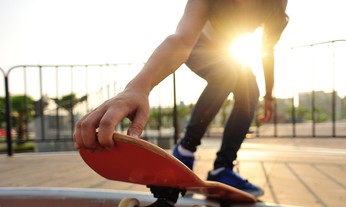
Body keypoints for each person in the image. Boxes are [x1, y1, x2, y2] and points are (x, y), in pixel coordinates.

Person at [73, 0, 289, 197]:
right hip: (197, 45)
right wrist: (138, 87)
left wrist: (269, 95)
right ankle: (185, 150)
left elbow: (266, 50)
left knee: (250, 90)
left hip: (225, 51)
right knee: (227, 74)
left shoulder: (277, 4)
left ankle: (224, 167)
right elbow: (182, 40)